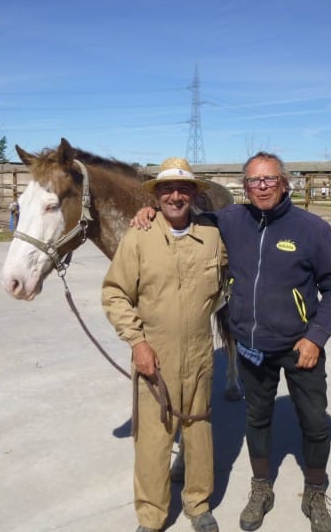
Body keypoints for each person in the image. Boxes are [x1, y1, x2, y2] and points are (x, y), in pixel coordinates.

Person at [133, 152, 331, 532]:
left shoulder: (311, 228)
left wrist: (316, 337)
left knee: (314, 424)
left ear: (284, 183)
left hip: (300, 348)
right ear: (245, 187)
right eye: (253, 181)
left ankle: (315, 492)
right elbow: (183, 216)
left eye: (268, 179)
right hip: (251, 349)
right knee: (257, 419)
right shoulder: (231, 220)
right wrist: (150, 211)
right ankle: (261, 488)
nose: (260, 187)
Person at [102, 157, 226, 532]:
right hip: (154, 355)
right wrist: (138, 343)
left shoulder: (212, 236)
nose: (175, 196)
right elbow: (115, 294)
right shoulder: (137, 237)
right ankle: (152, 516)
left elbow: (222, 287)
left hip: (201, 352)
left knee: (199, 431)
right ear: (156, 196)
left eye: (183, 189)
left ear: (193, 194)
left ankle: (198, 504)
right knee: (154, 440)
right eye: (167, 189)